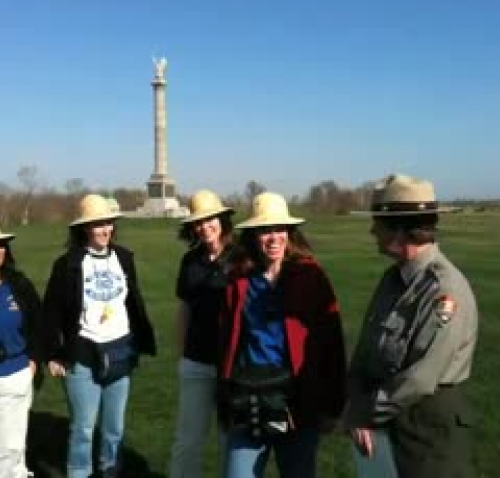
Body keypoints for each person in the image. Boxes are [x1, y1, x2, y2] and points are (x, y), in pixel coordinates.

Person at [343, 174, 478, 478]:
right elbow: (365, 353)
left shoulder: (444, 290)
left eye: (378, 223)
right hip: (386, 421)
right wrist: (356, 403)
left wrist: (362, 412)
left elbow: (420, 378)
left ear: (400, 230)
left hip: (429, 432)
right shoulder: (393, 280)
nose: (372, 231)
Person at [218, 192, 347, 478]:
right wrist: (225, 398)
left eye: (279, 229)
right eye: (265, 231)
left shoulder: (311, 276)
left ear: (289, 233)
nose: (273, 238)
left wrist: (333, 405)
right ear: (253, 236)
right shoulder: (239, 279)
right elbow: (226, 344)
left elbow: (332, 343)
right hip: (249, 398)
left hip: (297, 403)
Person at [43, 193, 156, 478]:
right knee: (82, 427)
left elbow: (134, 301)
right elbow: (51, 311)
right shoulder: (67, 264)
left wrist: (139, 340)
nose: (105, 230)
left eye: (108, 223)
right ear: (84, 228)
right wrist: (54, 353)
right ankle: (79, 472)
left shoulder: (124, 258)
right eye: (97, 225)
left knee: (114, 427)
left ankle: (110, 471)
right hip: (82, 355)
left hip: (120, 353)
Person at [168, 189, 235, 478]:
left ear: (222, 220)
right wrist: (181, 355)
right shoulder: (190, 261)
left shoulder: (241, 257)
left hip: (232, 364)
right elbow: (184, 310)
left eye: (211, 220)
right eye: (198, 222)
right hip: (196, 361)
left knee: (229, 439)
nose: (205, 226)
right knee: (188, 439)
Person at [0, 228, 43, 478]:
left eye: (2, 245)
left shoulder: (19, 284)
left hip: (16, 373)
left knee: (14, 446)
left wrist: (34, 359)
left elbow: (38, 323)